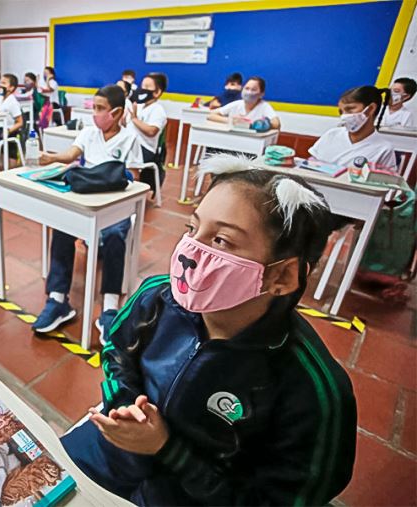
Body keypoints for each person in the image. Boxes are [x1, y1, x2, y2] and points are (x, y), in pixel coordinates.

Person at [61, 154, 357, 506]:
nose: (189, 251)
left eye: (221, 241)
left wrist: (167, 448)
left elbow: (277, 499)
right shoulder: (155, 296)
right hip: (115, 451)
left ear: (281, 276)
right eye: (192, 228)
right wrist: (127, 408)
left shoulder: (314, 392)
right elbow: (116, 351)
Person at [33, 85, 143, 335]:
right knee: (62, 228)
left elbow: (134, 177)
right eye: (94, 107)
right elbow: (72, 154)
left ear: (116, 113)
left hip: (114, 202)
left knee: (116, 233)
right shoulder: (88, 133)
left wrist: (113, 182)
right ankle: (58, 300)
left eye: (100, 108)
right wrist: (49, 158)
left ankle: (110, 307)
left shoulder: (129, 138)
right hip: (86, 198)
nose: (95, 113)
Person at [309, 85, 397, 170]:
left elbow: (385, 182)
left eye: (350, 109)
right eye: (341, 112)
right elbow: (310, 164)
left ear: (370, 109)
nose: (344, 116)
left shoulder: (383, 149)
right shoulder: (331, 135)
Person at [128, 72, 168, 196]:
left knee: (128, 155)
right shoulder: (139, 106)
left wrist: (134, 119)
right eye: (142, 86)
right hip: (132, 145)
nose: (142, 89)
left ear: (157, 92)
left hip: (145, 149)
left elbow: (152, 131)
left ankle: (132, 194)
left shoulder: (158, 110)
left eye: (147, 87)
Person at [208, 76, 280, 130]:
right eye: (247, 88)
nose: (249, 92)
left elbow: (276, 123)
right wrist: (231, 121)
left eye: (253, 90)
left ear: (261, 94)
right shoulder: (237, 104)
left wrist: (259, 124)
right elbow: (211, 115)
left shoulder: (264, 106)